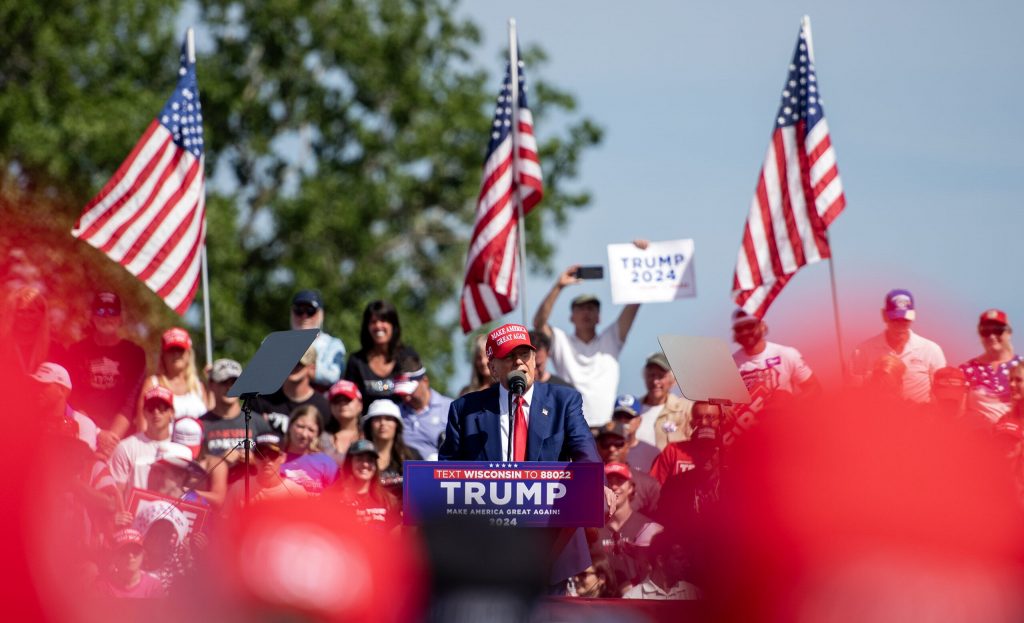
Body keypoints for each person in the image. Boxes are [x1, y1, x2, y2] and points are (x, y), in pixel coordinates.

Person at [439, 323, 613, 590]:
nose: (519, 362)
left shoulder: (563, 401)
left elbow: (584, 452)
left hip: (551, 547)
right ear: (492, 368)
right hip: (486, 552)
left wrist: (594, 485)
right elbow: (446, 476)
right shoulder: (465, 410)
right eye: (509, 356)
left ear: (535, 360)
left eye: (525, 354)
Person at [532, 247, 647, 427]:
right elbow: (538, 323)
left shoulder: (611, 338)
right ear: (571, 317)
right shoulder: (561, 342)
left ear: (599, 317)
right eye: (580, 308)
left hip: (606, 428)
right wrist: (558, 286)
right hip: (572, 426)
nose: (586, 312)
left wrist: (640, 257)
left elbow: (634, 303)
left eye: (591, 308)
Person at [61, 291, 146, 457]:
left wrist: (111, 440)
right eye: (100, 311)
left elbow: (131, 403)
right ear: (92, 316)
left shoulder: (134, 354)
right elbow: (74, 398)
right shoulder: (76, 351)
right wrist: (96, 433)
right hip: (83, 434)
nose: (106, 317)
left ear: (121, 317)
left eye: (112, 312)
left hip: (120, 442)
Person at [851, 289, 946, 404]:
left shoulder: (931, 350)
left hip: (920, 419)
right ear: (884, 315)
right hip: (876, 418)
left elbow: (943, 393)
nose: (900, 324)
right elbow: (853, 392)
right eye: (895, 319)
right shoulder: (863, 350)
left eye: (905, 319)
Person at [200, 358, 274, 484]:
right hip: (214, 497)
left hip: (252, 496)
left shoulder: (258, 422)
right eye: (224, 382)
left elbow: (274, 463)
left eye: (234, 382)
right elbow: (193, 471)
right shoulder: (200, 424)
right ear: (211, 384)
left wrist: (255, 460)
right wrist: (219, 460)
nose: (229, 387)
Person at [594, 462, 664, 589]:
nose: (614, 486)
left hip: (637, 602)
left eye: (620, 481)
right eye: (608, 482)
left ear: (631, 487)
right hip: (600, 603)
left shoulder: (648, 527)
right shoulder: (591, 528)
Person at [344, 300, 419, 410]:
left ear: (393, 325)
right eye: (373, 322)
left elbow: (419, 394)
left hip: (405, 424)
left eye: (384, 320)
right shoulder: (356, 361)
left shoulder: (408, 356)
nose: (378, 326)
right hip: (366, 424)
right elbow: (349, 400)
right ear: (367, 327)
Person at [732, 309, 819, 403]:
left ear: (762, 326)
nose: (745, 332)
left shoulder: (786, 354)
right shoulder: (730, 365)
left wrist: (790, 408)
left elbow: (813, 388)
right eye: (739, 329)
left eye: (750, 326)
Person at [109, 386, 177, 494]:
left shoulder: (181, 447)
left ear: (172, 413)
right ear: (144, 412)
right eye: (151, 407)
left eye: (162, 407)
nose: (156, 411)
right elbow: (117, 493)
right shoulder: (125, 447)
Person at [959, 309, 1022, 425]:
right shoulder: (966, 370)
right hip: (980, 438)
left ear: (1009, 332)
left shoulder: (1022, 366)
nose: (992, 336)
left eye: (998, 330)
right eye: (986, 331)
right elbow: (960, 413)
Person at [138, 328, 211, 425]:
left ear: (188, 354)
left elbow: (211, 422)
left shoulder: (198, 386)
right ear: (163, 355)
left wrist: (213, 383)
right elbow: (142, 426)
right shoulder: (152, 383)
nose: (176, 354)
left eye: (180, 350)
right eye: (171, 350)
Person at [254, 345, 330, 437]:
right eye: (289, 362)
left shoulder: (322, 406)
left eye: (299, 364)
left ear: (312, 368)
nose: (292, 366)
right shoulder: (262, 398)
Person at [327, 439, 401, 531]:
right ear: (350, 463)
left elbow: (396, 537)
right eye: (359, 459)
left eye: (370, 460)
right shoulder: (332, 497)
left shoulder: (389, 501)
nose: (365, 464)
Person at [595, 420, 660, 516]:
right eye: (605, 443)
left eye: (618, 443)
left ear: (627, 445)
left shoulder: (648, 484)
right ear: (597, 446)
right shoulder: (587, 482)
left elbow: (657, 522)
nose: (611, 449)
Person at [225, 439, 309, 512]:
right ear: (254, 456)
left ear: (283, 457)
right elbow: (225, 525)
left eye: (273, 454)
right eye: (260, 454)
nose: (266, 460)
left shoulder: (297, 493)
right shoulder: (239, 488)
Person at [395, 352, 451, 461]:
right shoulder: (395, 413)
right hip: (405, 474)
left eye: (410, 391)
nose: (406, 398)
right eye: (402, 393)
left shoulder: (450, 409)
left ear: (425, 381)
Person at [363, 399, 421, 498]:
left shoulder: (412, 456)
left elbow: (422, 492)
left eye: (388, 418)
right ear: (369, 425)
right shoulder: (358, 456)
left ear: (397, 425)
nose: (383, 423)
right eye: (377, 419)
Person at [290, 289, 346, 392]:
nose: (304, 316)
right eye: (299, 310)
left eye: (310, 310)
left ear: (321, 314)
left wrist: (302, 368)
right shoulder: (276, 341)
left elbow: (334, 376)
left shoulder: (333, 344)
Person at [634, 353, 693, 450]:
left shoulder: (686, 409)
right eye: (651, 375)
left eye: (661, 376)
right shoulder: (632, 410)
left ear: (673, 380)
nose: (655, 381)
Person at [622, 530, 702, 600]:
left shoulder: (693, 593)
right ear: (660, 560)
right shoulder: (632, 598)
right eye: (680, 558)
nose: (687, 564)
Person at [280, 405, 340, 494]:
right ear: (290, 426)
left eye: (311, 430)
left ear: (317, 434)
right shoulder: (274, 459)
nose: (304, 434)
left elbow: (336, 497)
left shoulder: (326, 464)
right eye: (300, 426)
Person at [94, 528, 166, 598]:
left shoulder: (154, 587)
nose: (130, 555)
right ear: (113, 556)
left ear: (143, 553)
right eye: (124, 551)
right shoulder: (102, 588)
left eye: (135, 550)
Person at [320, 379, 364, 463]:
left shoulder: (370, 435)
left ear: (360, 405)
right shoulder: (320, 439)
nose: (342, 404)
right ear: (330, 406)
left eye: (347, 400)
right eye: (337, 401)